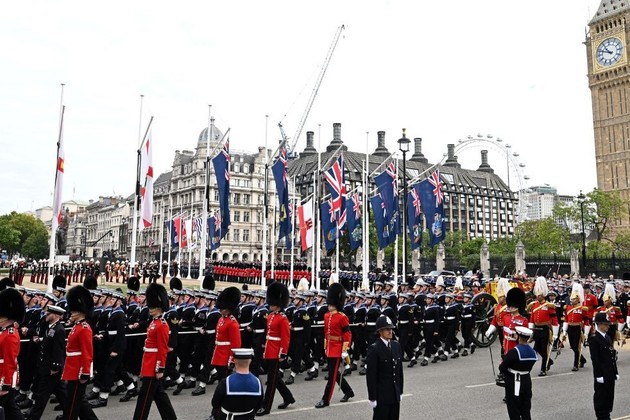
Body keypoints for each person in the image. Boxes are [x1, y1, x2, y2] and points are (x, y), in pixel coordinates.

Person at [133, 283, 177, 420]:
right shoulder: (153, 322)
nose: (150, 309)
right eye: (150, 306)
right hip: (148, 363)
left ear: (160, 307)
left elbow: (162, 349)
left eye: (153, 307)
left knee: (144, 397)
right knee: (159, 396)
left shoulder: (162, 325)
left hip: (153, 366)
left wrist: (160, 368)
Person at [256, 282, 294, 416]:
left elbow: (285, 337)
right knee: (274, 378)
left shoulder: (283, 319)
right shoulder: (271, 316)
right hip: (269, 349)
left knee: (271, 381)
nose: (270, 305)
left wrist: (283, 353)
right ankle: (288, 397)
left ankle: (266, 406)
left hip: (276, 352)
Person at [315, 283, 354, 408]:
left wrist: (345, 350)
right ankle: (348, 391)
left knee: (331, 376)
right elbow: (326, 333)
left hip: (337, 348)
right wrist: (325, 346)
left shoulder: (342, 317)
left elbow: (347, 334)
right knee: (335, 373)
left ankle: (325, 399)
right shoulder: (327, 316)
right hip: (330, 347)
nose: (329, 305)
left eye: (331, 304)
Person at [25, 304, 67, 420]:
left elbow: (58, 350)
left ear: (56, 315)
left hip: (51, 369)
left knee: (41, 397)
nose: (46, 315)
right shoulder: (51, 327)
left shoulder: (59, 329)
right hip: (46, 367)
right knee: (62, 395)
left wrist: (55, 367)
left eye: (49, 313)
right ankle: (70, 415)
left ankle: (33, 418)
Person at [62, 285, 98, 420]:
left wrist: (85, 372)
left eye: (74, 310)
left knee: (72, 406)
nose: (71, 312)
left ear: (82, 311)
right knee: (78, 403)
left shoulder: (84, 328)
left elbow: (87, 353)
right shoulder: (77, 326)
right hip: (72, 368)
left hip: (78, 370)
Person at [366, 315, 404, 420]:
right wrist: (372, 397)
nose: (390, 331)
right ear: (380, 331)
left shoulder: (396, 345)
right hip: (382, 396)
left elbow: (399, 372)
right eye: (387, 329)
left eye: (391, 329)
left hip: (394, 394)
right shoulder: (374, 349)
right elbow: (371, 376)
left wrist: (400, 390)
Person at [210, 348, 263, 420]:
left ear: (235, 361)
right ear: (250, 361)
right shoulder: (257, 382)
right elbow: (258, 405)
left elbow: (215, 403)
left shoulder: (226, 382)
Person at [499, 326, 537, 420]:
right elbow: (529, 368)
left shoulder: (514, 352)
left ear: (519, 337)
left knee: (514, 410)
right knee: (526, 409)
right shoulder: (533, 352)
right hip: (526, 380)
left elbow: (502, 367)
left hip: (513, 381)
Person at [0, 287, 26, 420]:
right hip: (3, 375)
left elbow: (10, 361)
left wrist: (5, 384)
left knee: (9, 409)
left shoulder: (10, 335)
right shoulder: (5, 332)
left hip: (4, 378)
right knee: (10, 409)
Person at [589, 312, 619, 420]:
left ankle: (607, 414)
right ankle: (602, 416)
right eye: (606, 324)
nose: (608, 326)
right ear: (599, 324)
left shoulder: (607, 337)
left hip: (610, 373)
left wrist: (615, 372)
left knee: (609, 397)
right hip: (602, 374)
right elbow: (595, 360)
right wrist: (598, 375)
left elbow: (612, 357)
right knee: (601, 398)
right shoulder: (594, 339)